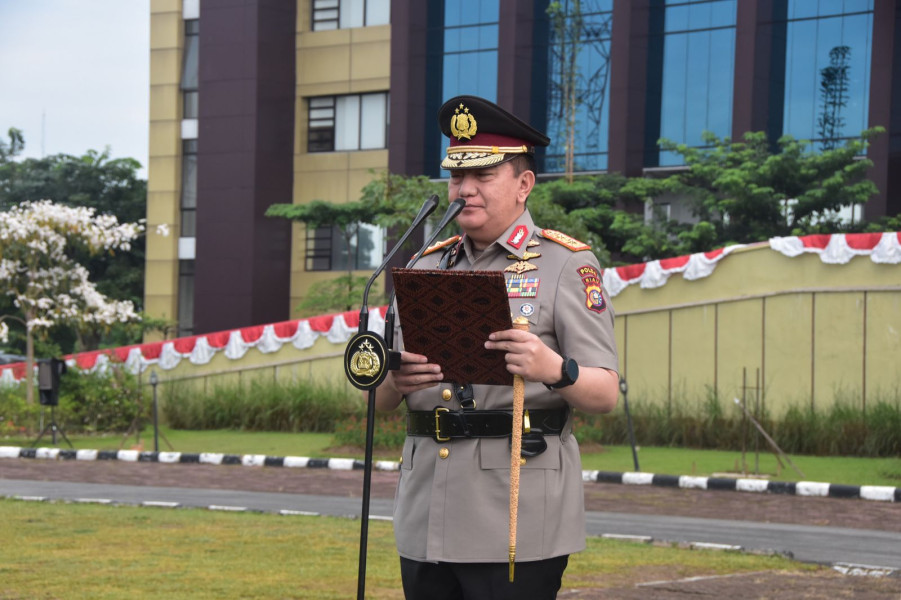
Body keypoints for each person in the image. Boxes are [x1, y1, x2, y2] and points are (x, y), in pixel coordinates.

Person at [373, 95, 619, 600]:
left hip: (516, 516)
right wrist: (392, 382)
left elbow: (606, 394)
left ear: (523, 184)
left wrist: (554, 368)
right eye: (457, 177)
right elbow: (375, 402)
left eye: (482, 176)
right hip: (426, 511)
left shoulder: (566, 265)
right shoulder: (422, 266)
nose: (465, 190)